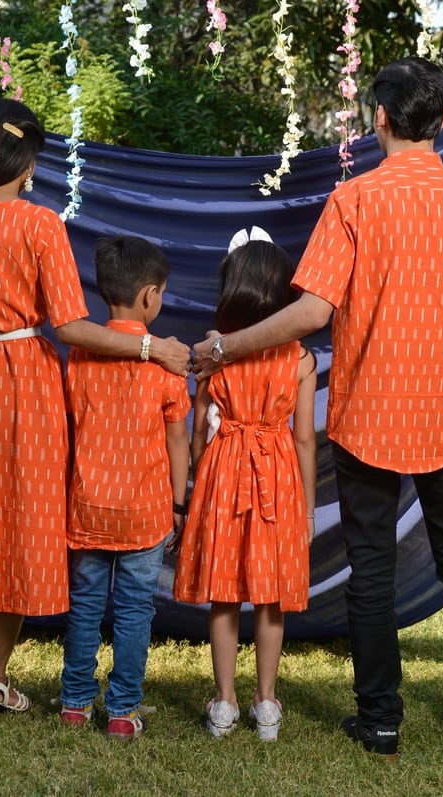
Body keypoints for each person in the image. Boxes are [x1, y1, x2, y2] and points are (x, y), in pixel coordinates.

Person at [192, 57, 443, 758]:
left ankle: (380, 720)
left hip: (370, 416)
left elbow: (311, 312)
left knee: (372, 566)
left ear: (380, 120)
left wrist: (225, 346)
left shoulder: (355, 201)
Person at [0, 99, 189, 724]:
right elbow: (72, 327)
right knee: (16, 524)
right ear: (26, 162)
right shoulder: (39, 226)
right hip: (21, 385)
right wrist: (152, 347)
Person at [174, 228, 317, 741]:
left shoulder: (214, 355)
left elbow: (198, 428)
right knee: (271, 596)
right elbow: (304, 439)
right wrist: (308, 508)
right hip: (277, 478)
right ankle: (267, 704)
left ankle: (225, 703)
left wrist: (199, 481)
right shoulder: (300, 359)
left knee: (225, 593)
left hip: (224, 473)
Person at [59, 235, 190, 739]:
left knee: (86, 604)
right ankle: (121, 712)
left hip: (88, 505)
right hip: (146, 510)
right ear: (150, 295)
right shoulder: (167, 362)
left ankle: (74, 704)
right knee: (135, 609)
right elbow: (177, 439)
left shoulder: (81, 355)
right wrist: (178, 503)